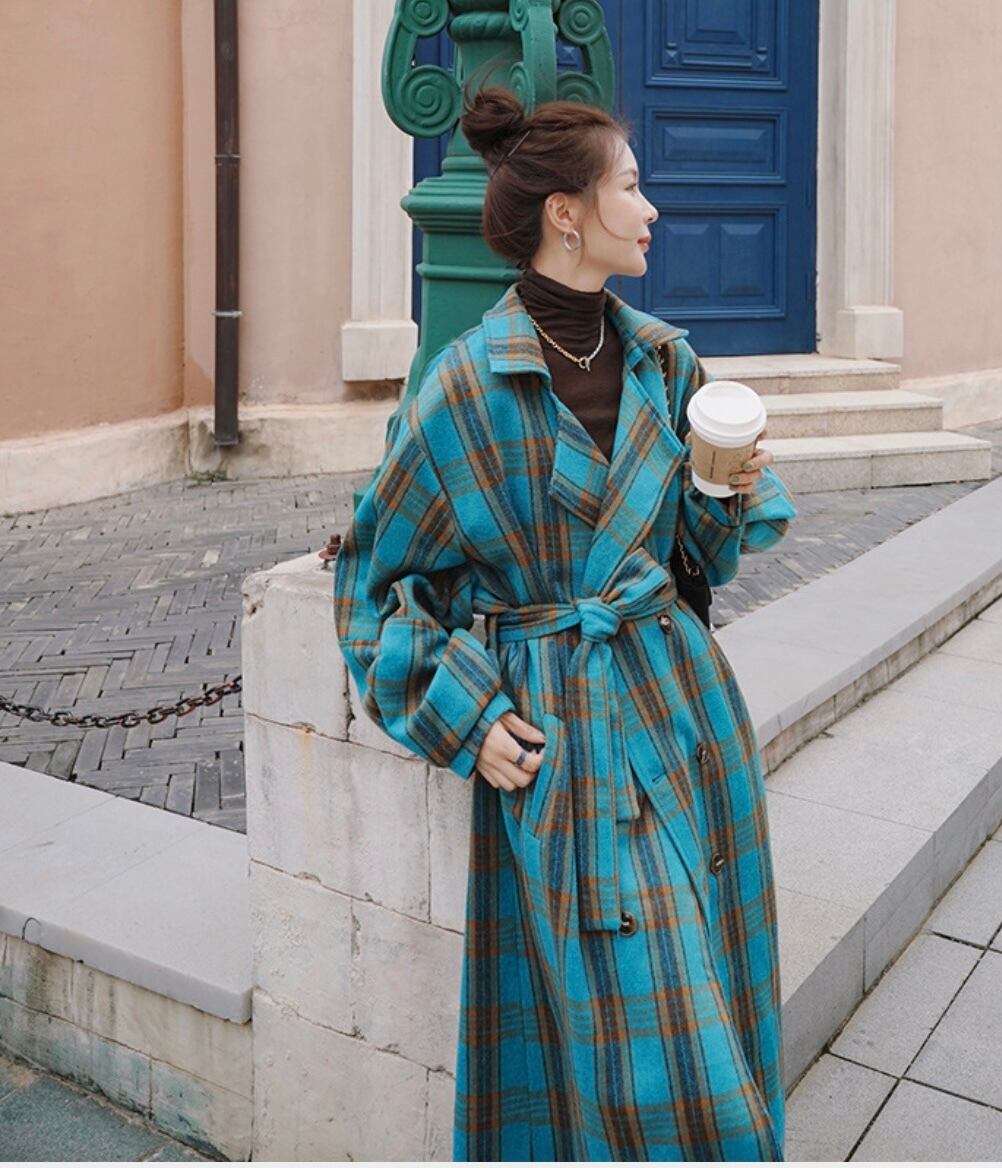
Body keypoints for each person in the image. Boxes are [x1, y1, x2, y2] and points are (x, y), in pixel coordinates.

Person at [333, 84, 798, 1162]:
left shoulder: (666, 363)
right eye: (631, 186)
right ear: (567, 214)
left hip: (686, 714)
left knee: (709, 995)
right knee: (644, 1047)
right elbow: (374, 582)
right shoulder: (464, 389)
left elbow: (699, 560)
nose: (653, 208)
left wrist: (723, 494)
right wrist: (462, 714)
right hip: (563, 741)